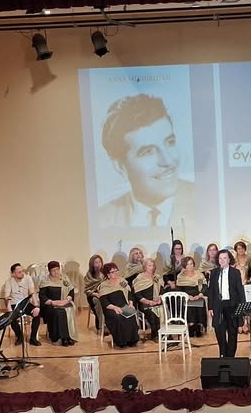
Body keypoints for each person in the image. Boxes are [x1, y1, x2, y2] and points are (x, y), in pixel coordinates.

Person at [99, 93, 195, 228]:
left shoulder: (208, 200)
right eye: (148, 152)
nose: (168, 161)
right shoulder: (102, 219)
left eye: (170, 142)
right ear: (121, 168)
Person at [208, 249, 245, 357]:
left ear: (229, 259)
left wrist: (242, 307)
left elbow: (240, 291)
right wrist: (210, 307)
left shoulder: (235, 272)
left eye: (225, 258)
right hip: (218, 306)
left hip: (231, 305)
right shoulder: (214, 273)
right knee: (219, 331)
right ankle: (223, 354)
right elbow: (211, 291)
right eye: (220, 258)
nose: (222, 260)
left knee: (232, 332)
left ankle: (231, 356)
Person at [98, 262, 139, 348]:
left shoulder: (122, 281)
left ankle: (131, 340)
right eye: (113, 272)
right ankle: (121, 342)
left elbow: (129, 293)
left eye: (116, 271)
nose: (116, 273)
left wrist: (131, 303)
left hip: (124, 305)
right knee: (118, 317)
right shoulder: (104, 285)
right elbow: (104, 302)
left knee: (130, 315)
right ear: (108, 275)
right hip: (110, 308)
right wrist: (115, 308)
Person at [39, 261, 79, 346]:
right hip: (49, 305)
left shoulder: (64, 278)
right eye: (53, 270)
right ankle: (62, 337)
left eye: (57, 269)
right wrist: (53, 302)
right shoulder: (45, 281)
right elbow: (42, 297)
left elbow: (71, 291)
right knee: (59, 312)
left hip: (64, 302)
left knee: (69, 310)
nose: (56, 272)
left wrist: (67, 300)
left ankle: (69, 336)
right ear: (49, 271)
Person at [3, 263, 41, 346]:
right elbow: (6, 296)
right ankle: (20, 336)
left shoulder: (28, 278)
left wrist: (36, 306)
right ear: (13, 274)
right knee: (11, 318)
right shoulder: (9, 282)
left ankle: (33, 338)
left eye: (22, 271)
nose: (22, 273)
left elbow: (32, 292)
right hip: (14, 304)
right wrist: (9, 309)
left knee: (37, 314)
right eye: (19, 272)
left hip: (25, 303)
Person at [133, 258, 164, 341]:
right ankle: (155, 335)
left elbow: (162, 290)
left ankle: (164, 333)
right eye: (149, 266)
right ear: (145, 267)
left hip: (157, 301)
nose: (152, 267)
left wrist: (160, 298)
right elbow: (137, 295)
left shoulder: (157, 277)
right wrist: (148, 302)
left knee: (164, 311)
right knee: (153, 315)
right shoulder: (139, 278)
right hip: (145, 303)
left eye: (153, 265)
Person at [176, 256, 208, 337]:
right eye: (187, 264)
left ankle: (199, 325)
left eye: (191, 264)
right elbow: (179, 289)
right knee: (188, 304)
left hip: (197, 295)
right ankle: (191, 325)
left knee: (200, 302)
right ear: (184, 266)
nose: (190, 266)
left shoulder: (199, 274)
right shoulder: (180, 276)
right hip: (186, 296)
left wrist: (200, 294)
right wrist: (187, 296)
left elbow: (204, 286)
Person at [84, 254, 105, 332]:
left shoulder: (105, 273)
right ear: (92, 264)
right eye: (96, 262)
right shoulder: (89, 275)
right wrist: (95, 294)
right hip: (92, 295)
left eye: (100, 262)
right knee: (98, 302)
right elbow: (87, 290)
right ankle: (100, 326)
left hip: (104, 293)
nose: (99, 264)